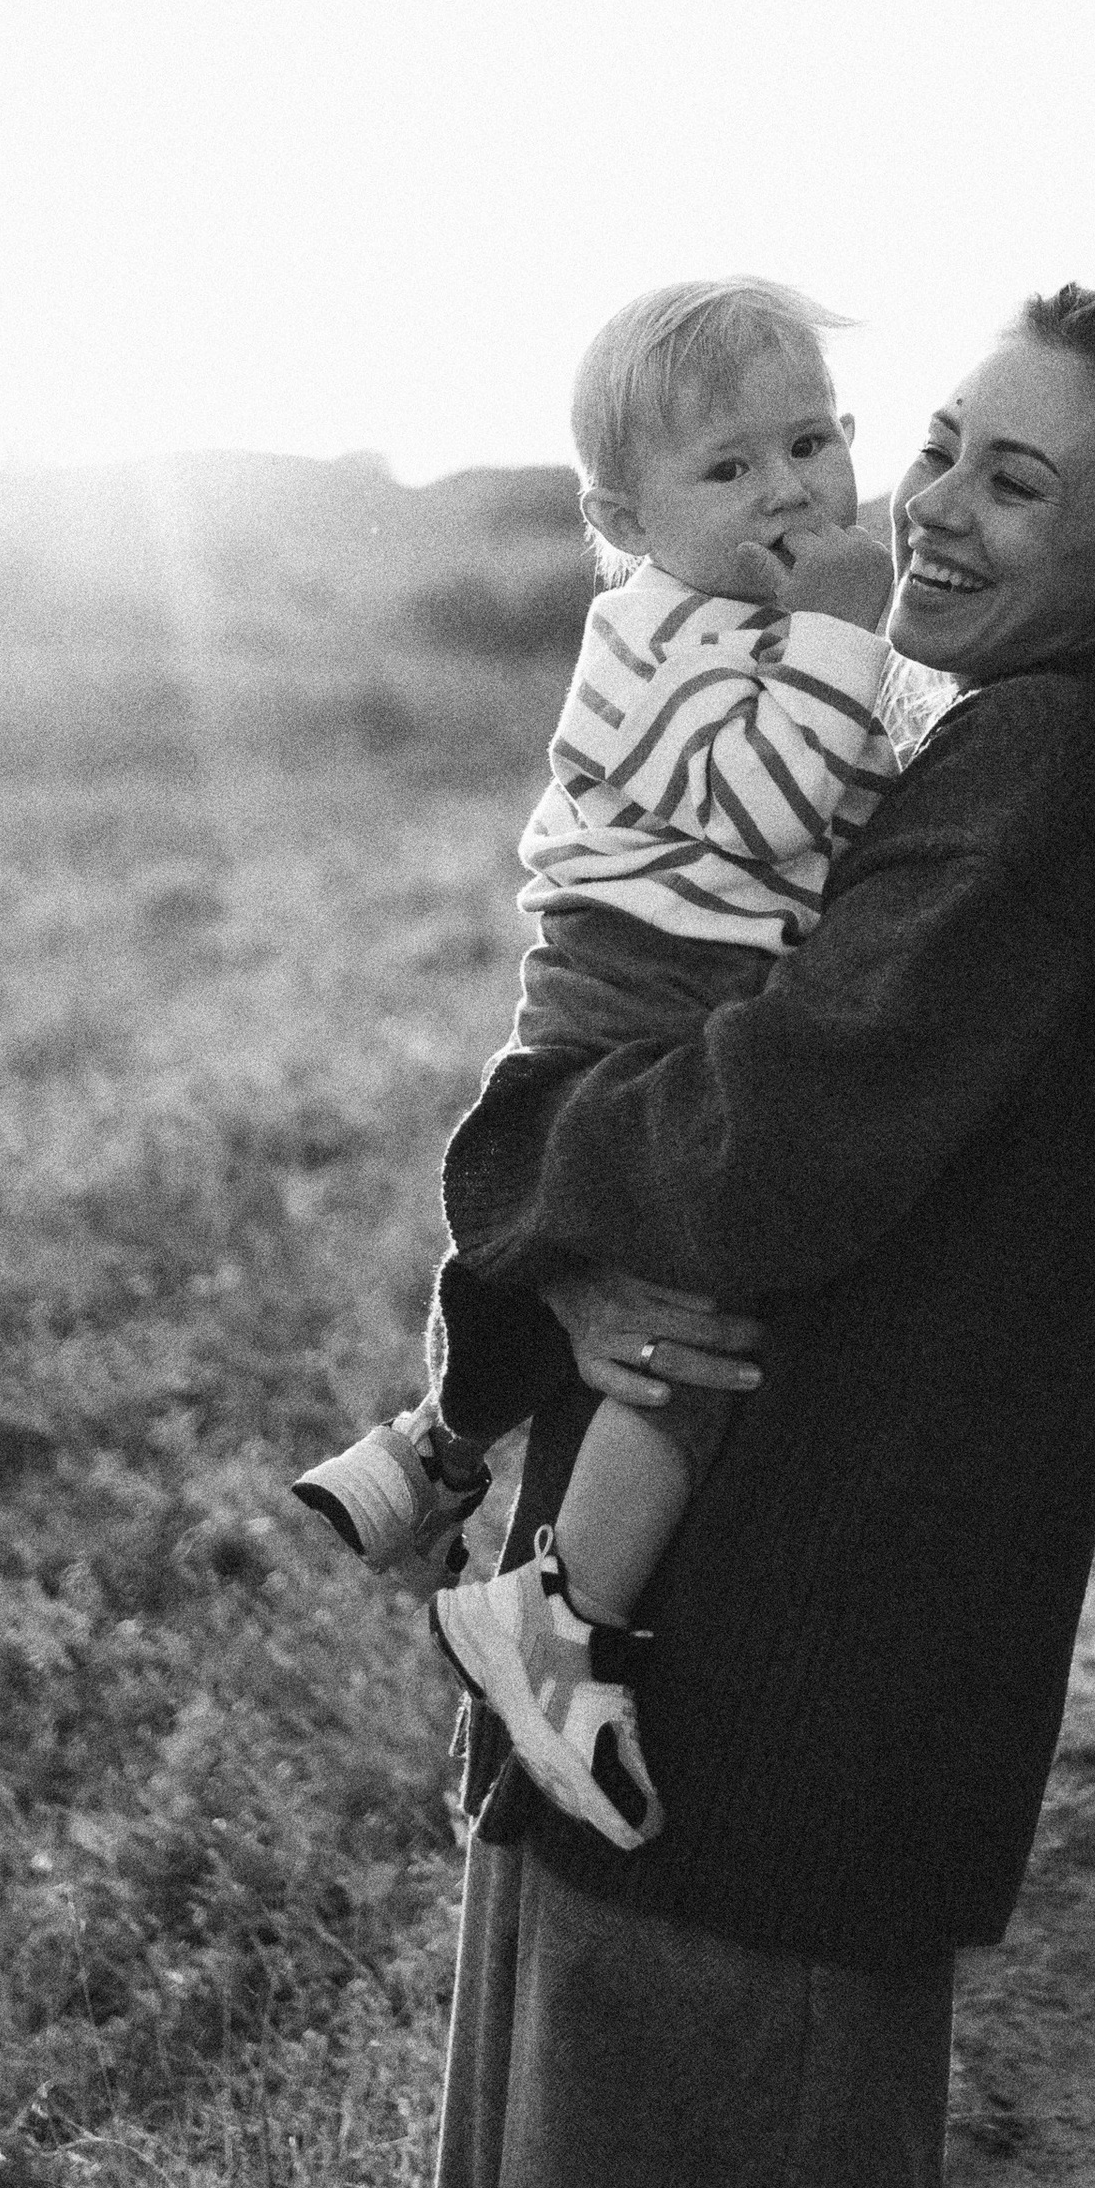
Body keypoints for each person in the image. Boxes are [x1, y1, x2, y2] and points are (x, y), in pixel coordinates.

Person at [421, 286, 1095, 2188]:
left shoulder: (1032, 763)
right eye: (942, 445)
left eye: (1019, 485)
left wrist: (532, 1179)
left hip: (772, 1698)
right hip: (705, 1659)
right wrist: (570, 1248)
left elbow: (758, 1142)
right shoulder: (946, 738)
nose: (936, 510)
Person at [295, 275, 903, 1846]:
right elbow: (772, 806)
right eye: (731, 467)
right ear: (622, 518)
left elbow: (876, 767)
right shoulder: (650, 639)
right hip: (636, 995)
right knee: (692, 1316)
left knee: (649, 1297)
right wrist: (846, 630)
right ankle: (559, 1619)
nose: (792, 487)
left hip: (683, 997)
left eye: (813, 441)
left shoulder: (773, 631)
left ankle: (428, 1459)